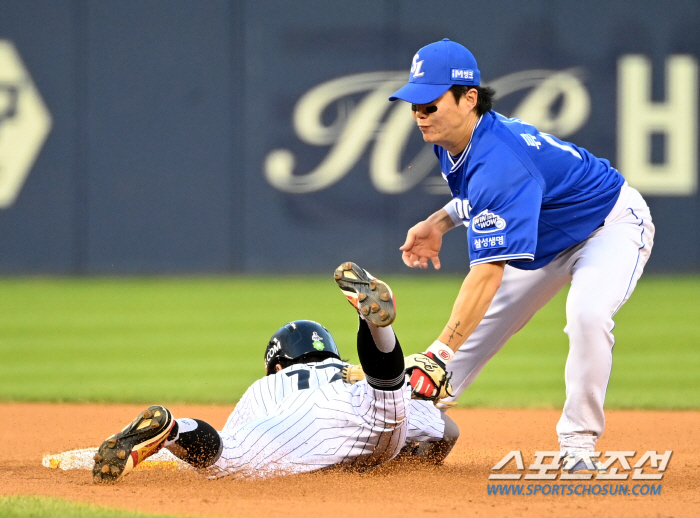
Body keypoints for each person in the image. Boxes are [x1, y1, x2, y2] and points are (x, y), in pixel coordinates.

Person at [390, 38, 654, 473]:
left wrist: (438, 349)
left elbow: (488, 270)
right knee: (472, 338)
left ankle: (578, 442)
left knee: (587, 315)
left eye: (429, 103)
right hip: (548, 238)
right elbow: (488, 197)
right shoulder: (452, 138)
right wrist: (439, 221)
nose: (420, 114)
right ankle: (416, 423)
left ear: (469, 98)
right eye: (414, 104)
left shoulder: (499, 157)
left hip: (609, 226)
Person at [92, 262, 459, 483]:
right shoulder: (349, 371)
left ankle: (173, 430)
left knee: (224, 456)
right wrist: (410, 456)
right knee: (387, 388)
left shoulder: (264, 387)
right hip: (363, 405)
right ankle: (373, 324)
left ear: (278, 364)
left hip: (296, 431)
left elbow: (224, 444)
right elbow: (447, 431)